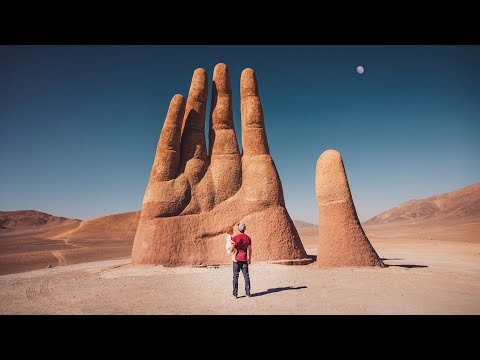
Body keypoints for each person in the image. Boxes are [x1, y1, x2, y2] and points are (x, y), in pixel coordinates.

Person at [229, 222, 252, 298]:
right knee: (246, 276)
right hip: (244, 258)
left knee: (235, 276)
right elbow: (250, 249)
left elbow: (232, 249)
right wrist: (250, 259)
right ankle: (248, 293)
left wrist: (230, 249)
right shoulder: (248, 238)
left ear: (239, 229)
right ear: (244, 229)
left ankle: (235, 294)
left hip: (236, 259)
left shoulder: (235, 238)